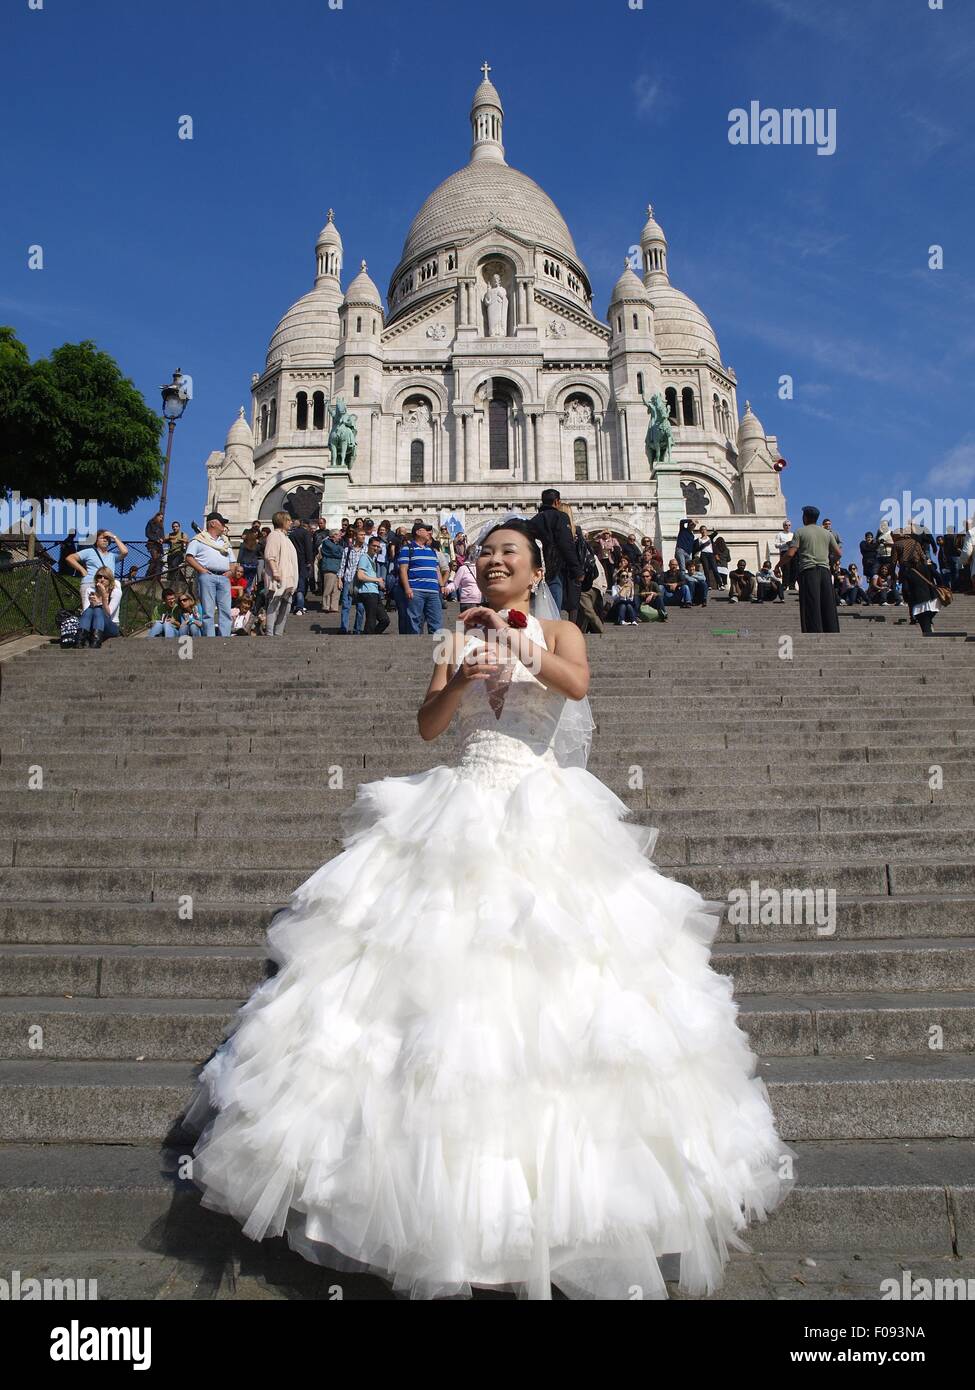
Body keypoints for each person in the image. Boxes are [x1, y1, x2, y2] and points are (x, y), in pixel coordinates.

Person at [183, 514, 796, 1302]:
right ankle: (416, 1214)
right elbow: (428, 724)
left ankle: (569, 1223)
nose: (495, 561)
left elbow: (574, 685)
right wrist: (460, 676)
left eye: (509, 553)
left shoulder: (563, 629)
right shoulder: (450, 637)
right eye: (486, 553)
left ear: (536, 571)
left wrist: (511, 641)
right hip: (461, 800)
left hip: (542, 805)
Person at [785, 505, 841, 633]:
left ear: (805, 517)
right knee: (828, 603)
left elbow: (790, 554)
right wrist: (831, 561)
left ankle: (814, 632)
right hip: (825, 571)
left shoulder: (800, 532)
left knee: (811, 603)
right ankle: (832, 631)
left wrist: (778, 566)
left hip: (808, 571)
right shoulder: (826, 533)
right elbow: (838, 553)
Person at [527, 489, 582, 614]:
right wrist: (576, 569)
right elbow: (566, 544)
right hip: (555, 568)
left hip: (538, 569)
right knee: (554, 606)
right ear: (557, 502)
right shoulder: (561, 517)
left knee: (540, 605)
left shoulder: (534, 520)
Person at [184, 512, 235, 637]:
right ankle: (210, 638)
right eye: (221, 522)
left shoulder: (225, 542)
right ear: (212, 523)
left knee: (225, 610)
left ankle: (225, 637)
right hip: (208, 576)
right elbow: (189, 557)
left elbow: (233, 561)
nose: (224, 525)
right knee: (208, 611)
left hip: (224, 577)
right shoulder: (199, 539)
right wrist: (201, 570)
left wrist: (230, 572)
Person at [891, 525, 941, 635]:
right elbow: (923, 557)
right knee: (922, 591)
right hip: (920, 568)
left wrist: (893, 576)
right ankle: (927, 619)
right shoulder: (915, 542)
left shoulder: (896, 545)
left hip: (905, 569)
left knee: (909, 592)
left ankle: (913, 616)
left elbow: (893, 562)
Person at [399, 520, 445, 635]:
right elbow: (403, 570)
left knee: (436, 620)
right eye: (426, 530)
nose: (429, 533)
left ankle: (436, 647)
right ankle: (414, 645)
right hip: (416, 590)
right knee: (414, 620)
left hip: (433, 591)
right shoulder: (407, 549)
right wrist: (407, 588)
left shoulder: (431, 551)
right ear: (418, 532)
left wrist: (441, 585)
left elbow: (436, 569)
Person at [66, 529, 129, 610]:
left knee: (106, 613)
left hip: (107, 587)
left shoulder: (113, 556)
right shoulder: (89, 552)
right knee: (88, 611)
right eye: (102, 538)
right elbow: (70, 558)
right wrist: (82, 570)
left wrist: (113, 536)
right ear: (96, 541)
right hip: (90, 583)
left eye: (107, 538)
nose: (105, 539)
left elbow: (125, 552)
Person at [262, 510, 300, 637]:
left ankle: (278, 632)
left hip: (289, 577)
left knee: (286, 606)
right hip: (278, 576)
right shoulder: (274, 535)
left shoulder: (286, 538)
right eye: (288, 520)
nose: (290, 522)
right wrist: (275, 571)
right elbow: (270, 555)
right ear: (282, 521)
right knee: (274, 604)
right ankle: (270, 632)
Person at [75, 568, 121, 647]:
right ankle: (80, 641)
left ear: (110, 580)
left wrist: (102, 598)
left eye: (106, 577)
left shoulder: (116, 592)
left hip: (111, 626)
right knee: (90, 609)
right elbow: (86, 612)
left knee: (98, 610)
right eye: (99, 577)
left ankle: (96, 641)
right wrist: (92, 604)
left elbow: (108, 614)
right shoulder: (90, 590)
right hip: (92, 625)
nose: (102, 580)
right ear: (96, 578)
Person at [354, 536, 391, 634]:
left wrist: (379, 583)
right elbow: (360, 576)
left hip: (374, 592)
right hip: (367, 592)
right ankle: (368, 638)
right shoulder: (364, 558)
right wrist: (377, 580)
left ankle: (372, 636)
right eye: (373, 546)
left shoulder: (372, 559)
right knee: (371, 619)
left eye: (377, 547)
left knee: (384, 620)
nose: (375, 548)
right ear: (368, 546)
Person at [318, 529, 345, 613]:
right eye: (338, 535)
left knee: (337, 589)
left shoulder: (339, 544)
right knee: (328, 588)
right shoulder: (326, 542)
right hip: (329, 568)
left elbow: (340, 552)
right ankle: (326, 605)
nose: (340, 537)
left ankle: (334, 606)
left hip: (337, 568)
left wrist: (340, 551)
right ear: (334, 535)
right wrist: (340, 551)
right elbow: (335, 550)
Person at [774, 520, 795, 592]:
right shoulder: (780, 534)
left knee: (793, 569)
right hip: (784, 552)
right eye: (786, 525)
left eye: (789, 525)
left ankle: (792, 585)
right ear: (783, 526)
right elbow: (776, 545)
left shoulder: (793, 534)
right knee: (785, 569)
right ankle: (785, 585)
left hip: (793, 552)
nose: (788, 527)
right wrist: (785, 544)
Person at [145, 510, 165, 579]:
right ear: (157, 516)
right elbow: (147, 534)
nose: (161, 519)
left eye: (162, 518)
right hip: (152, 544)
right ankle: (148, 576)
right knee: (155, 559)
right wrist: (156, 539)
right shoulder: (150, 522)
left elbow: (163, 535)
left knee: (157, 561)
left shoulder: (161, 526)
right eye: (160, 517)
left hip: (159, 545)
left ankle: (154, 577)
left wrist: (162, 539)